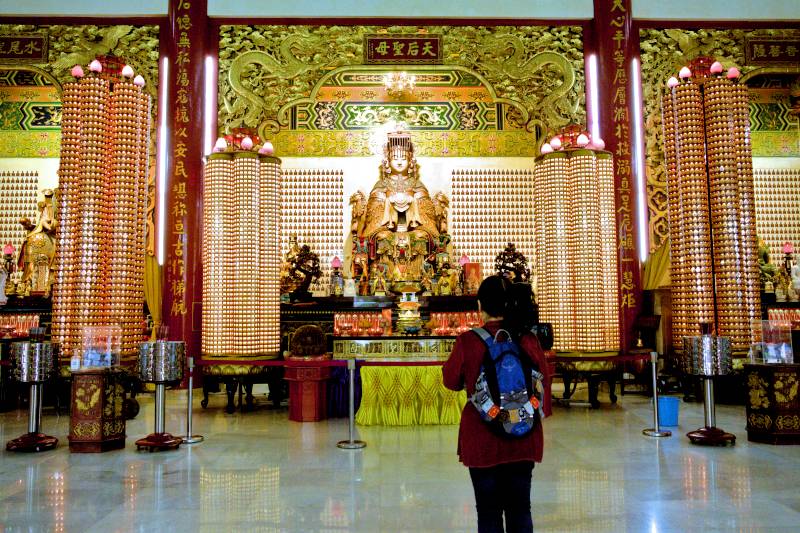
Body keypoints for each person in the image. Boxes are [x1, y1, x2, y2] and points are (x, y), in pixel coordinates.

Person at [442, 275, 551, 533]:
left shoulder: (468, 341)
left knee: (488, 513)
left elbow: (450, 380)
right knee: (521, 509)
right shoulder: (527, 338)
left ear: (480, 307)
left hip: (483, 437)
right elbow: (544, 376)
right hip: (523, 434)